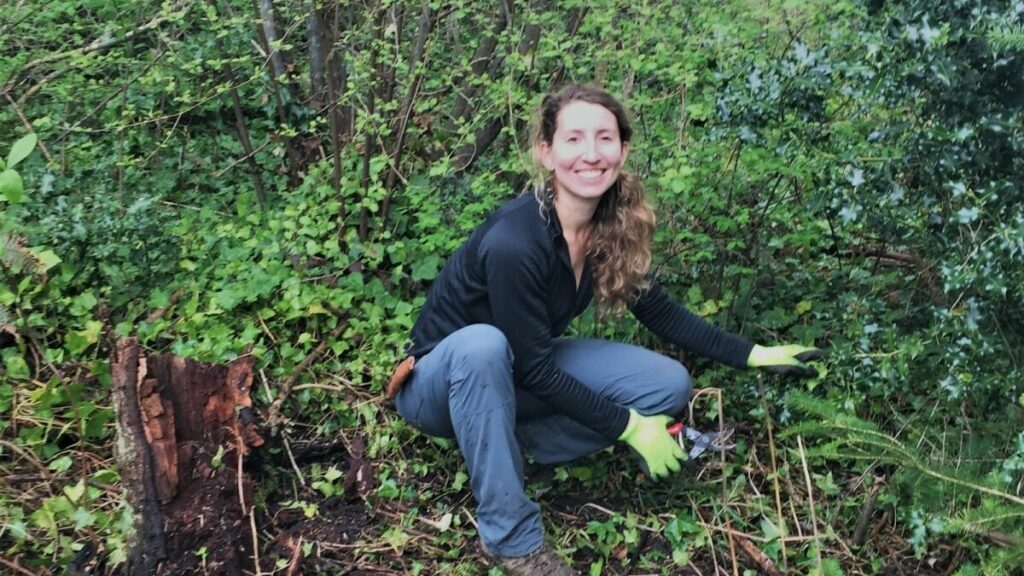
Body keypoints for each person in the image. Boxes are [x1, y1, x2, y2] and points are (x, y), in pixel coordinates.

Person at [391, 84, 822, 575]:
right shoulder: (516, 239)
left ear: (623, 150)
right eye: (574, 139)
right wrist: (630, 426)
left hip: (515, 377)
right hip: (439, 387)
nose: (591, 154)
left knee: (667, 384)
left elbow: (658, 311)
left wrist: (752, 354)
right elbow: (533, 366)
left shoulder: (606, 226)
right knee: (483, 344)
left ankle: (509, 447)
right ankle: (511, 540)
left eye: (605, 138)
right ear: (546, 152)